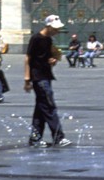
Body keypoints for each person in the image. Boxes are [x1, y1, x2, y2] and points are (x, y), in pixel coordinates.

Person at [24, 14, 70, 148]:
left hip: (46, 76)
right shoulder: (36, 38)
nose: (57, 31)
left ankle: (35, 139)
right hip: (38, 78)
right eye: (55, 28)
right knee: (49, 106)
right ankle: (58, 137)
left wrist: (53, 60)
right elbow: (28, 58)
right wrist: (27, 79)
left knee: (40, 109)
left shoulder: (49, 40)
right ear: (48, 26)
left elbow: (49, 60)